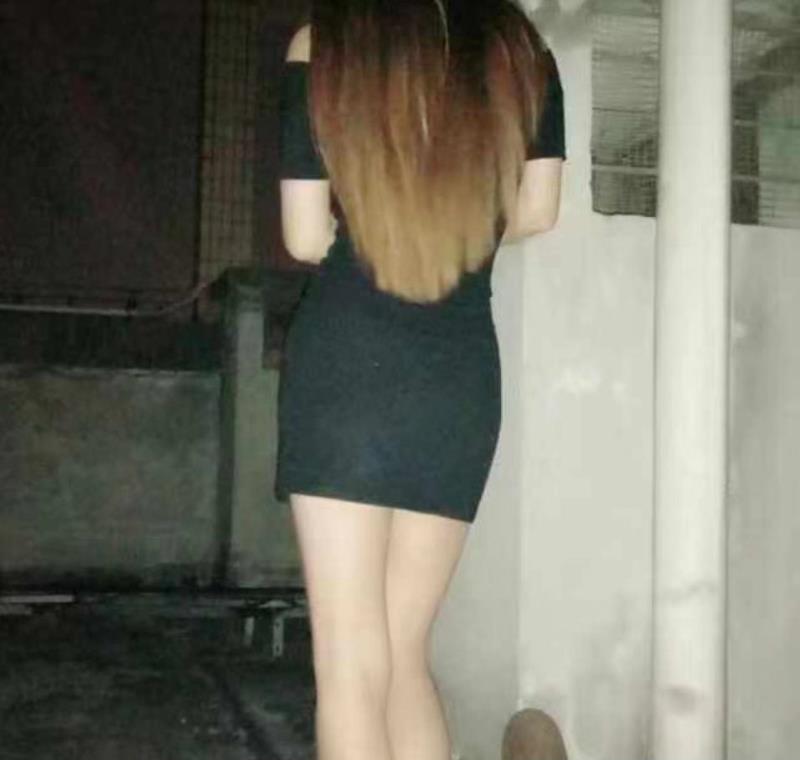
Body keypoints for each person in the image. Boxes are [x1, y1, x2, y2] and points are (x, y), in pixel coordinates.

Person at [274, 1, 566, 758]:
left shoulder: (326, 41)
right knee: (406, 653)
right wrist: (454, 223)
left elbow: (304, 235)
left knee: (350, 664)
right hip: (457, 376)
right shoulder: (519, 50)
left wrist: (383, 226)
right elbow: (538, 210)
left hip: (348, 364)